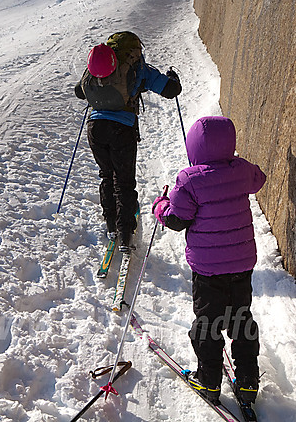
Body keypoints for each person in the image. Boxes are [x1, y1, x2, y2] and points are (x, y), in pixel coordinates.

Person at [151, 116, 266, 406]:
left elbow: (178, 219)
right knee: (241, 318)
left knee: (209, 323)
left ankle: (209, 381)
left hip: (208, 269)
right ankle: (249, 381)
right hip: (241, 263)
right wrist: (234, 166)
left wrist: (160, 206)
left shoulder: (189, 180)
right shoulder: (241, 170)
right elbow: (259, 179)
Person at [74, 31, 181, 252]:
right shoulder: (138, 68)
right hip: (122, 129)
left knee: (107, 175)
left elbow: (79, 91)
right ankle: (125, 234)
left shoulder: (99, 66)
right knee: (124, 181)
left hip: (95, 128)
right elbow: (171, 90)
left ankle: (111, 224)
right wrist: (173, 78)